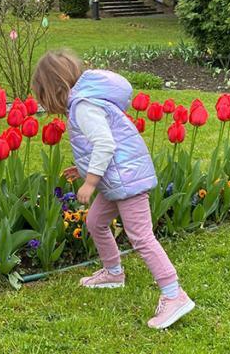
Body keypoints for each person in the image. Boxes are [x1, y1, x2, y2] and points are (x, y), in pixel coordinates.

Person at [30, 49, 195, 330]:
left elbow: (106, 144)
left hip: (126, 180)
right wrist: (82, 169)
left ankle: (174, 294)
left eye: (42, 94)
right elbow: (98, 146)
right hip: (118, 179)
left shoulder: (84, 107)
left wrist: (90, 182)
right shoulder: (84, 102)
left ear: (55, 88)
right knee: (95, 222)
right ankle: (113, 273)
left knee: (141, 236)